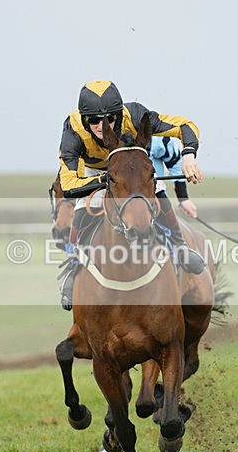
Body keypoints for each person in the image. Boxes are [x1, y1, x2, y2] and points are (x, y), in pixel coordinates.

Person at [57, 80, 205, 310]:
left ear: (119, 113)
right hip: (97, 171)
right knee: (83, 205)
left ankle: (180, 247)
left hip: (132, 168)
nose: (100, 125)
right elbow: (68, 183)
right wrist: (108, 181)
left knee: (157, 191)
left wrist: (188, 155)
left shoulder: (135, 115)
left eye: (108, 119)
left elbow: (184, 125)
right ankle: (73, 262)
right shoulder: (73, 129)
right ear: (84, 119)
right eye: (93, 120)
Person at [148, 136, 199, 219]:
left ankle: (175, 232)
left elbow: (175, 165)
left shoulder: (158, 139)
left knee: (158, 188)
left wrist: (183, 198)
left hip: (154, 194)